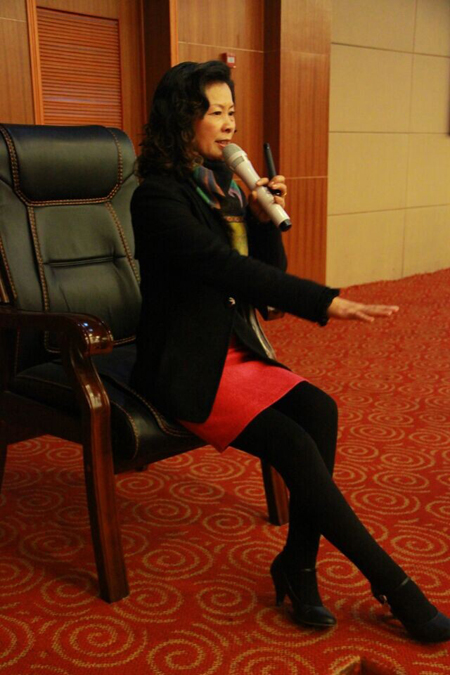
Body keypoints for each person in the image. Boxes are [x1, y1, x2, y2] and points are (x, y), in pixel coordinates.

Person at [130, 60, 450, 642]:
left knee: (321, 410)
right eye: (216, 112)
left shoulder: (224, 188)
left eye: (232, 112)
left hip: (231, 347)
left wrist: (261, 219)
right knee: (295, 444)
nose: (230, 125)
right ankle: (393, 583)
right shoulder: (156, 198)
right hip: (185, 363)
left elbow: (262, 280)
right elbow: (225, 269)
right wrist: (325, 302)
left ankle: (298, 565)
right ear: (183, 119)